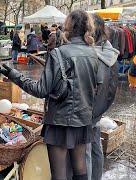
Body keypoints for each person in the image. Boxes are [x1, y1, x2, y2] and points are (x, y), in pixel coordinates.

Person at [0, 10, 98, 180]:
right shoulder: (94, 53)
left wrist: (13, 74)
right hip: (82, 119)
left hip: (59, 121)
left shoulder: (59, 53)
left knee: (59, 175)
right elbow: (97, 88)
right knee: (80, 171)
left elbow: (40, 90)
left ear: (68, 27)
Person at [84, 14, 119, 180]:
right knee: (95, 146)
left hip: (88, 110)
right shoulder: (109, 50)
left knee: (86, 152)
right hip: (99, 108)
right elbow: (112, 87)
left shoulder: (93, 55)